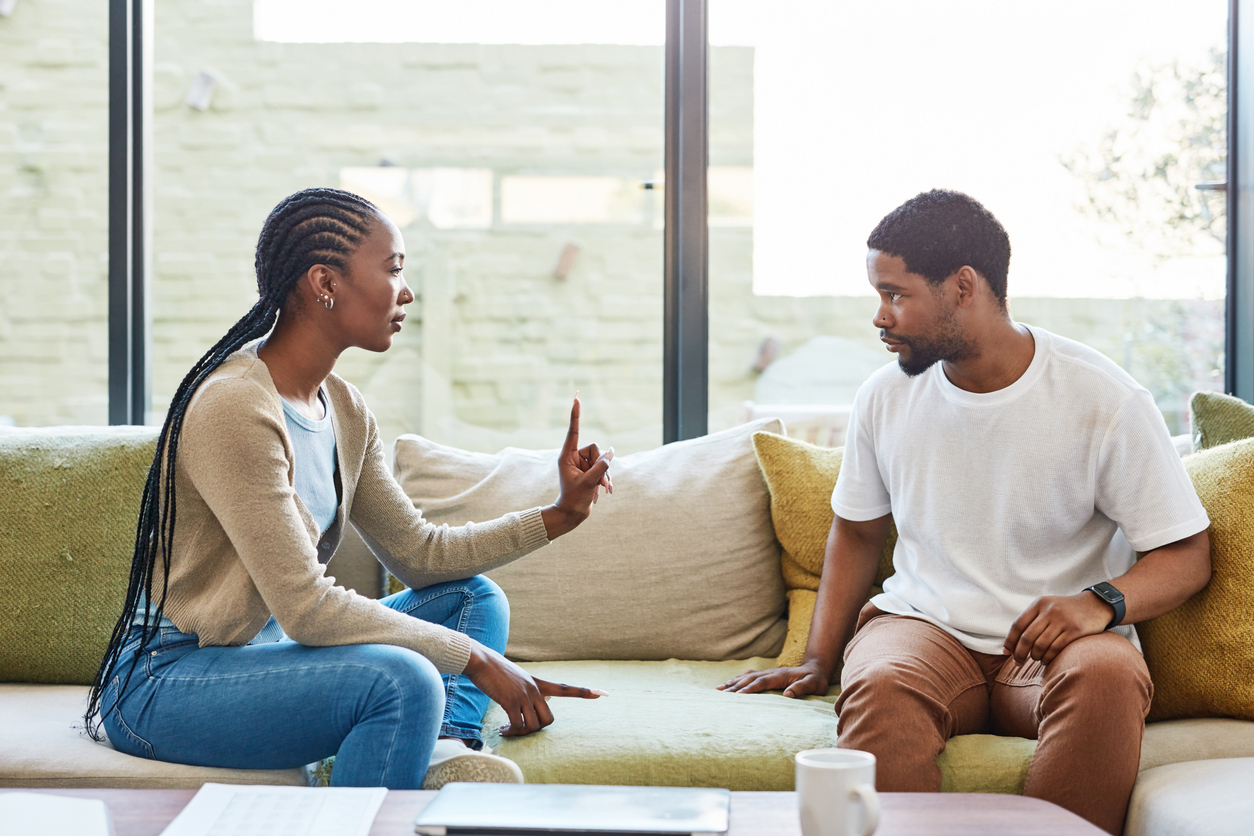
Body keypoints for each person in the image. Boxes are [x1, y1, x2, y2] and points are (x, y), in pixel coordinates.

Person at [85, 187, 615, 790]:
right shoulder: (236, 406)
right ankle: (415, 735)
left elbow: (422, 555)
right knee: (404, 679)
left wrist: (559, 515)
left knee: (474, 599)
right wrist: (476, 659)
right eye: (393, 269)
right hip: (166, 678)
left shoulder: (343, 406)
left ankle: (443, 745)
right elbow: (307, 608)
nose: (407, 291)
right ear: (324, 282)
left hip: (263, 652)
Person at [718, 189, 1212, 834]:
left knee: (1110, 673)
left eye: (896, 294)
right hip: (926, 630)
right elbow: (859, 531)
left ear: (961, 287)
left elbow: (1186, 554)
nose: (879, 316)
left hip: (1050, 649)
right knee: (881, 681)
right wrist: (818, 658)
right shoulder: (885, 396)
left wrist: (1097, 604)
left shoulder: (1104, 398)